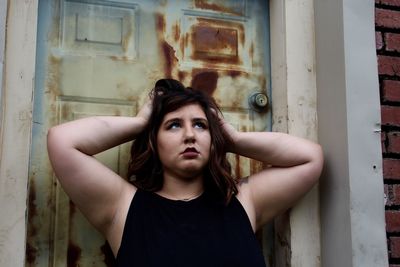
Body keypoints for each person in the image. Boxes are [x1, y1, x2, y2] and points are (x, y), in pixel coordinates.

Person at [47, 79, 323, 266]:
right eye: (174, 125)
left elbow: (310, 159)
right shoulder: (124, 207)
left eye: (201, 125)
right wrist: (141, 122)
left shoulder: (243, 202)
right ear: (154, 141)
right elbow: (62, 141)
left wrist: (232, 138)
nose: (190, 135)